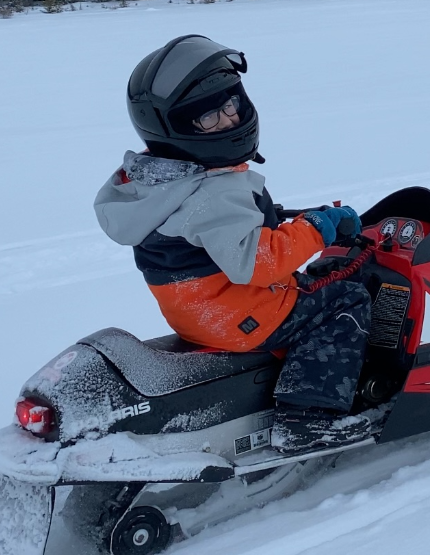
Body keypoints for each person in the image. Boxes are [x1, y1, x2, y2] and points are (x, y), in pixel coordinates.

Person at [93, 34, 374, 453]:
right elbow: (260, 262)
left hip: (198, 310)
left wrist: (283, 218)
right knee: (345, 300)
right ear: (179, 129)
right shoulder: (212, 192)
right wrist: (317, 227)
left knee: (315, 283)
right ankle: (310, 417)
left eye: (231, 105)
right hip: (237, 314)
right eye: (208, 118)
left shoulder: (160, 181)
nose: (228, 119)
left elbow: (216, 231)